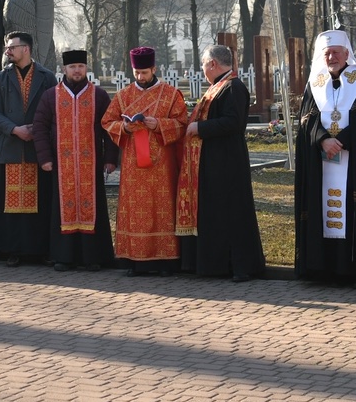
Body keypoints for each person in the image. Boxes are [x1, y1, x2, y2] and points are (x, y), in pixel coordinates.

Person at [293, 31, 356, 284]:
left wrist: (342, 141)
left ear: (347, 54)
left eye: (336, 52)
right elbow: (306, 120)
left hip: (355, 162)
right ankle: (322, 268)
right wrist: (322, 139)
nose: (331, 57)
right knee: (321, 207)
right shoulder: (314, 84)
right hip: (321, 161)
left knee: (354, 209)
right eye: (327, 53)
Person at [176, 45, 265, 282]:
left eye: (204, 64)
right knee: (216, 213)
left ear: (213, 64)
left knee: (233, 213)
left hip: (228, 161)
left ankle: (241, 266)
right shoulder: (219, 86)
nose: (203, 69)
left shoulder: (233, 87)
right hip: (214, 160)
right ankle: (217, 265)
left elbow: (233, 122)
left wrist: (199, 127)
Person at [102, 46, 187, 276]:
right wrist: (124, 127)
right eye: (137, 73)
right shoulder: (123, 95)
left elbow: (182, 123)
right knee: (135, 210)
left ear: (154, 69)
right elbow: (107, 122)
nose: (140, 77)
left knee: (162, 209)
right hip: (133, 165)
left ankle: (165, 261)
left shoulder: (171, 94)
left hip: (162, 165)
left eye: (144, 73)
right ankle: (135, 261)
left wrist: (159, 124)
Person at [33, 49, 118, 272]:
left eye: (80, 66)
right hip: (61, 165)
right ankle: (64, 257)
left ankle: (93, 257)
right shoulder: (51, 96)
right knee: (62, 209)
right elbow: (40, 128)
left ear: (86, 68)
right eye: (72, 67)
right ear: (64, 69)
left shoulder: (99, 95)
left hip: (91, 164)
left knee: (93, 208)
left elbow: (110, 128)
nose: (77, 71)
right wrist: (45, 158)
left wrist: (110, 158)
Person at [0, 31, 57, 266]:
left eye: (11, 47)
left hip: (38, 149)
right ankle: (13, 249)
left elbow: (54, 112)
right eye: (7, 48)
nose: (7, 51)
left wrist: (37, 130)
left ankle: (40, 249)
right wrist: (15, 129)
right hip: (10, 146)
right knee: (11, 204)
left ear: (25, 49)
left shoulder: (47, 77)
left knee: (41, 202)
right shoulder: (0, 78)